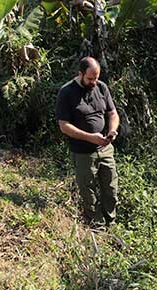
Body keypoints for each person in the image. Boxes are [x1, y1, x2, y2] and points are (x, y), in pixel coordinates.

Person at [56, 57, 120, 227]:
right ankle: (96, 224)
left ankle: (110, 221)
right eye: (90, 78)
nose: (93, 82)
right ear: (80, 74)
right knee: (87, 190)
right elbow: (64, 126)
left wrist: (112, 130)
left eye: (96, 77)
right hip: (83, 151)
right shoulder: (67, 92)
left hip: (105, 148)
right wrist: (89, 137)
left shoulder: (101, 87)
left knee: (111, 188)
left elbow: (112, 113)